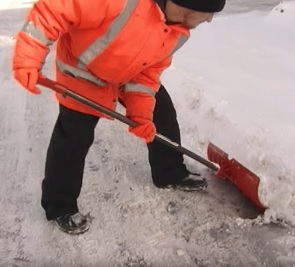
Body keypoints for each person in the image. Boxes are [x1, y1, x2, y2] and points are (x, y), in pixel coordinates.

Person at [12, 0, 226, 235]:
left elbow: (147, 74)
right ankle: (60, 205)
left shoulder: (178, 31)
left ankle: (169, 172)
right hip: (83, 71)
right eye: (209, 12)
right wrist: (27, 57)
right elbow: (52, 10)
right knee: (74, 136)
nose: (209, 20)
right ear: (188, 4)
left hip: (128, 72)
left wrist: (141, 114)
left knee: (161, 112)